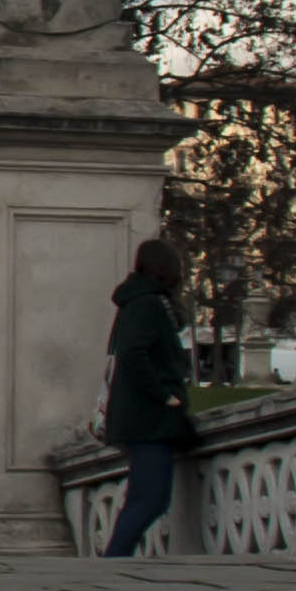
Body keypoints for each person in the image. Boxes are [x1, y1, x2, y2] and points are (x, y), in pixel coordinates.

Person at [100, 237, 195, 557]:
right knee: (152, 498)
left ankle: (115, 559)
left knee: (141, 498)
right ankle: (114, 559)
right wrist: (164, 395)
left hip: (139, 418)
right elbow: (133, 353)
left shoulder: (138, 301)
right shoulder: (148, 303)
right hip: (148, 420)